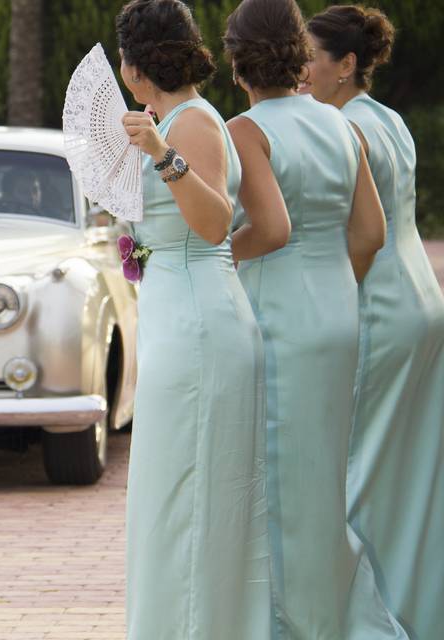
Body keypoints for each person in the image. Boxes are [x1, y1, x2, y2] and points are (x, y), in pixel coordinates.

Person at [224, 0, 407, 638]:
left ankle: (294, 622)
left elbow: (266, 231)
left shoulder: (246, 132)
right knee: (323, 476)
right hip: (338, 313)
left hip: (284, 320)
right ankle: (339, 611)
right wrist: (335, 289)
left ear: (237, 60)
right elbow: (371, 233)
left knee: (281, 480)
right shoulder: (340, 125)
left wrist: (219, 254)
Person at [115, 1, 270, 637]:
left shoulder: (194, 123)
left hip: (201, 326)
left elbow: (213, 225)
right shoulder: (165, 120)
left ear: (134, 68)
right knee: (168, 493)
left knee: (192, 493)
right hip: (173, 318)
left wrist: (160, 152)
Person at [303, 7, 444, 639]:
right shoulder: (388, 120)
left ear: (347, 65)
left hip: (379, 308)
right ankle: (413, 609)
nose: (301, 70)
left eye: (311, 57)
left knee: (355, 473)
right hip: (420, 301)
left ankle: (369, 623)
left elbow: (353, 237)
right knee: (409, 475)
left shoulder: (341, 130)